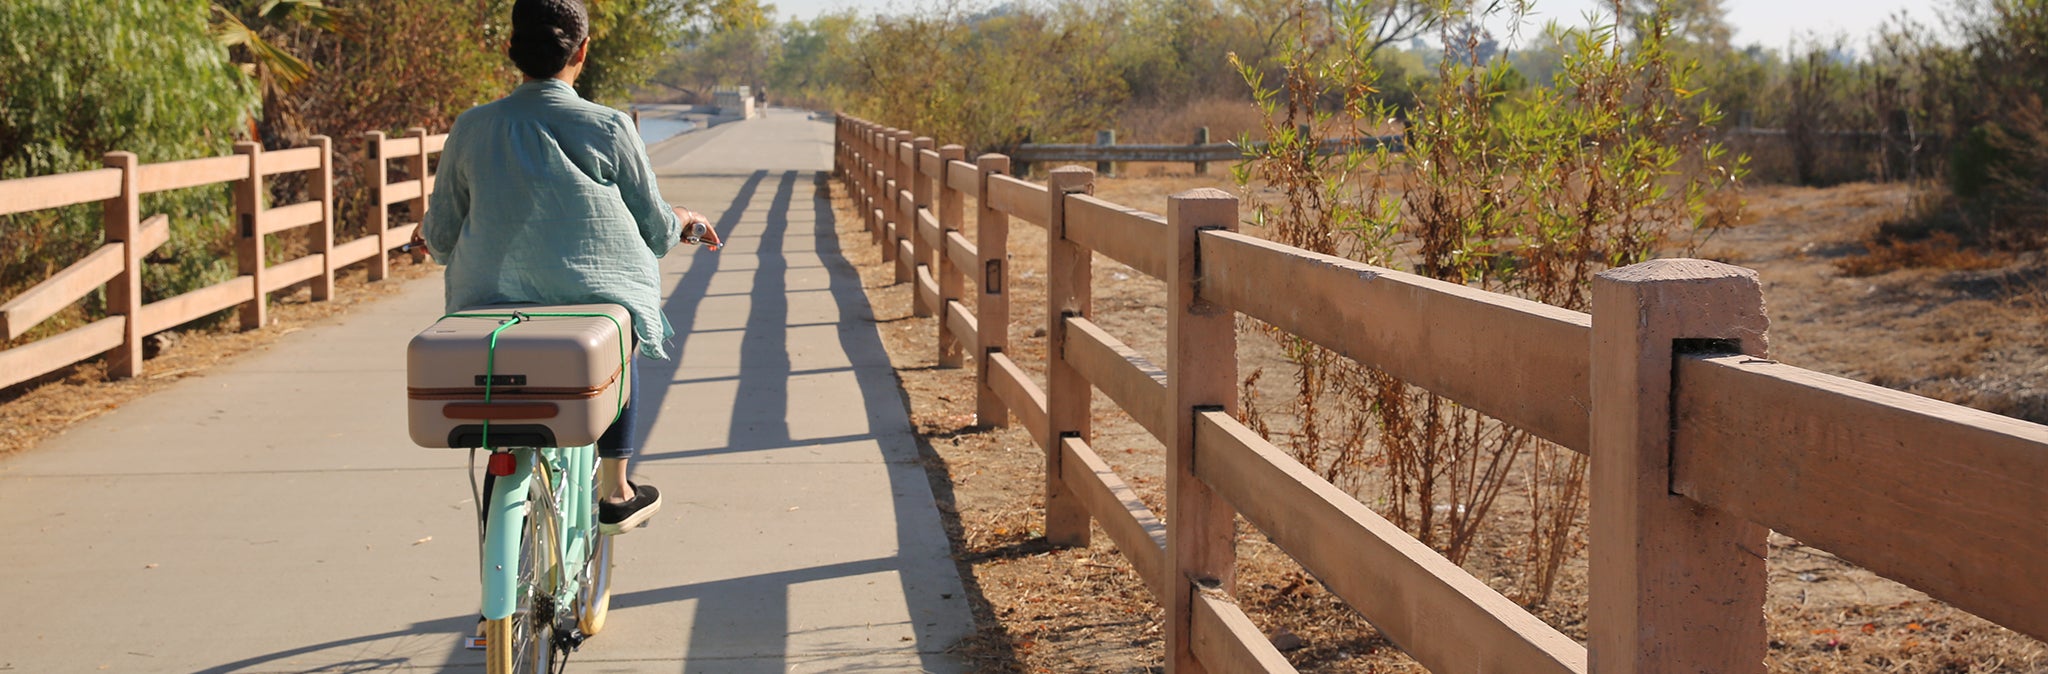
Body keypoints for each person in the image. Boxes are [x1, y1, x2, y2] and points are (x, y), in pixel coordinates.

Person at [416, 0, 718, 535]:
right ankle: (617, 488)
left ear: (511, 51)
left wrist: (425, 239)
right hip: (589, 303)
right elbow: (654, 226)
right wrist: (688, 218)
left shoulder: (471, 128)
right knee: (617, 344)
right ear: (581, 51)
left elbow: (440, 235)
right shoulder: (609, 126)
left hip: (489, 304)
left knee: (506, 396)